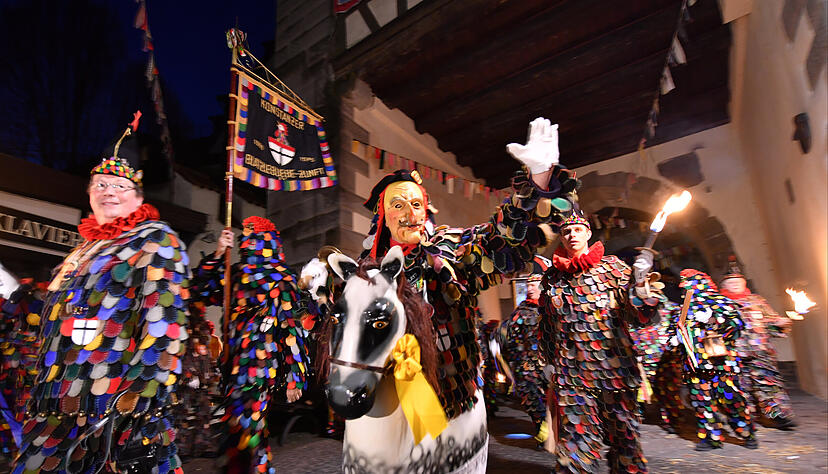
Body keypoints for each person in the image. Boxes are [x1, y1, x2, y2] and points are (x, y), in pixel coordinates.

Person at [341, 117, 579, 471]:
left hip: (451, 411)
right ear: (383, 215)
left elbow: (501, 238)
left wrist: (539, 178)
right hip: (381, 411)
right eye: (398, 205)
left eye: (416, 205)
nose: (409, 214)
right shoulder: (364, 271)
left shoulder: (448, 251)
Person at [13, 117, 191, 474]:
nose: (109, 191)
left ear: (138, 194)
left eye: (120, 185)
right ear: (89, 192)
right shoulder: (82, 251)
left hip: (113, 410)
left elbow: (164, 331)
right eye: (100, 183)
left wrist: (135, 405)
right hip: (54, 406)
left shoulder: (157, 241)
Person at [537, 209, 664, 473]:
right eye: (566, 231)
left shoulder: (613, 268)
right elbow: (548, 325)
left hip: (614, 370)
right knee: (575, 442)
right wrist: (548, 362)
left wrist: (640, 284)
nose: (572, 235)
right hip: (572, 375)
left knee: (625, 439)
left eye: (577, 230)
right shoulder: (552, 279)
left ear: (588, 233)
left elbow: (640, 316)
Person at [189, 216, 314, 474]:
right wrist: (219, 252)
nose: (246, 240)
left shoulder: (282, 279)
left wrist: (295, 376)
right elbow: (200, 289)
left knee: (248, 424)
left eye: (252, 235)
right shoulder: (233, 273)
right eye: (244, 235)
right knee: (237, 425)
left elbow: (292, 329)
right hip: (231, 363)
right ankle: (242, 467)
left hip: (258, 365)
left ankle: (251, 468)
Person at [668, 269, 757, 451]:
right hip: (695, 364)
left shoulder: (721, 302)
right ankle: (710, 438)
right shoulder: (682, 308)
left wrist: (713, 319)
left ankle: (746, 432)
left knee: (731, 398)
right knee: (702, 402)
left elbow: (737, 325)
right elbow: (675, 329)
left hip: (721, 363)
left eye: (689, 282)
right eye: (684, 282)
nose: (685, 286)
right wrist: (674, 339)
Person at [719, 257, 796, 429]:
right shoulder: (720, 304)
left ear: (744, 282)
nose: (735, 284)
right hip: (733, 353)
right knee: (739, 386)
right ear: (724, 285)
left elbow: (770, 321)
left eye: (737, 281)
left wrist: (779, 324)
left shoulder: (757, 301)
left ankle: (778, 416)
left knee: (769, 385)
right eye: (730, 282)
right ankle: (745, 418)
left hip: (760, 353)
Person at [499, 269, 549, 445]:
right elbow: (509, 340)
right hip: (526, 364)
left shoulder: (550, 308)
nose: (530, 288)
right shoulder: (520, 312)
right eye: (528, 285)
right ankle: (541, 427)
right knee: (532, 397)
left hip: (549, 363)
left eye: (534, 284)